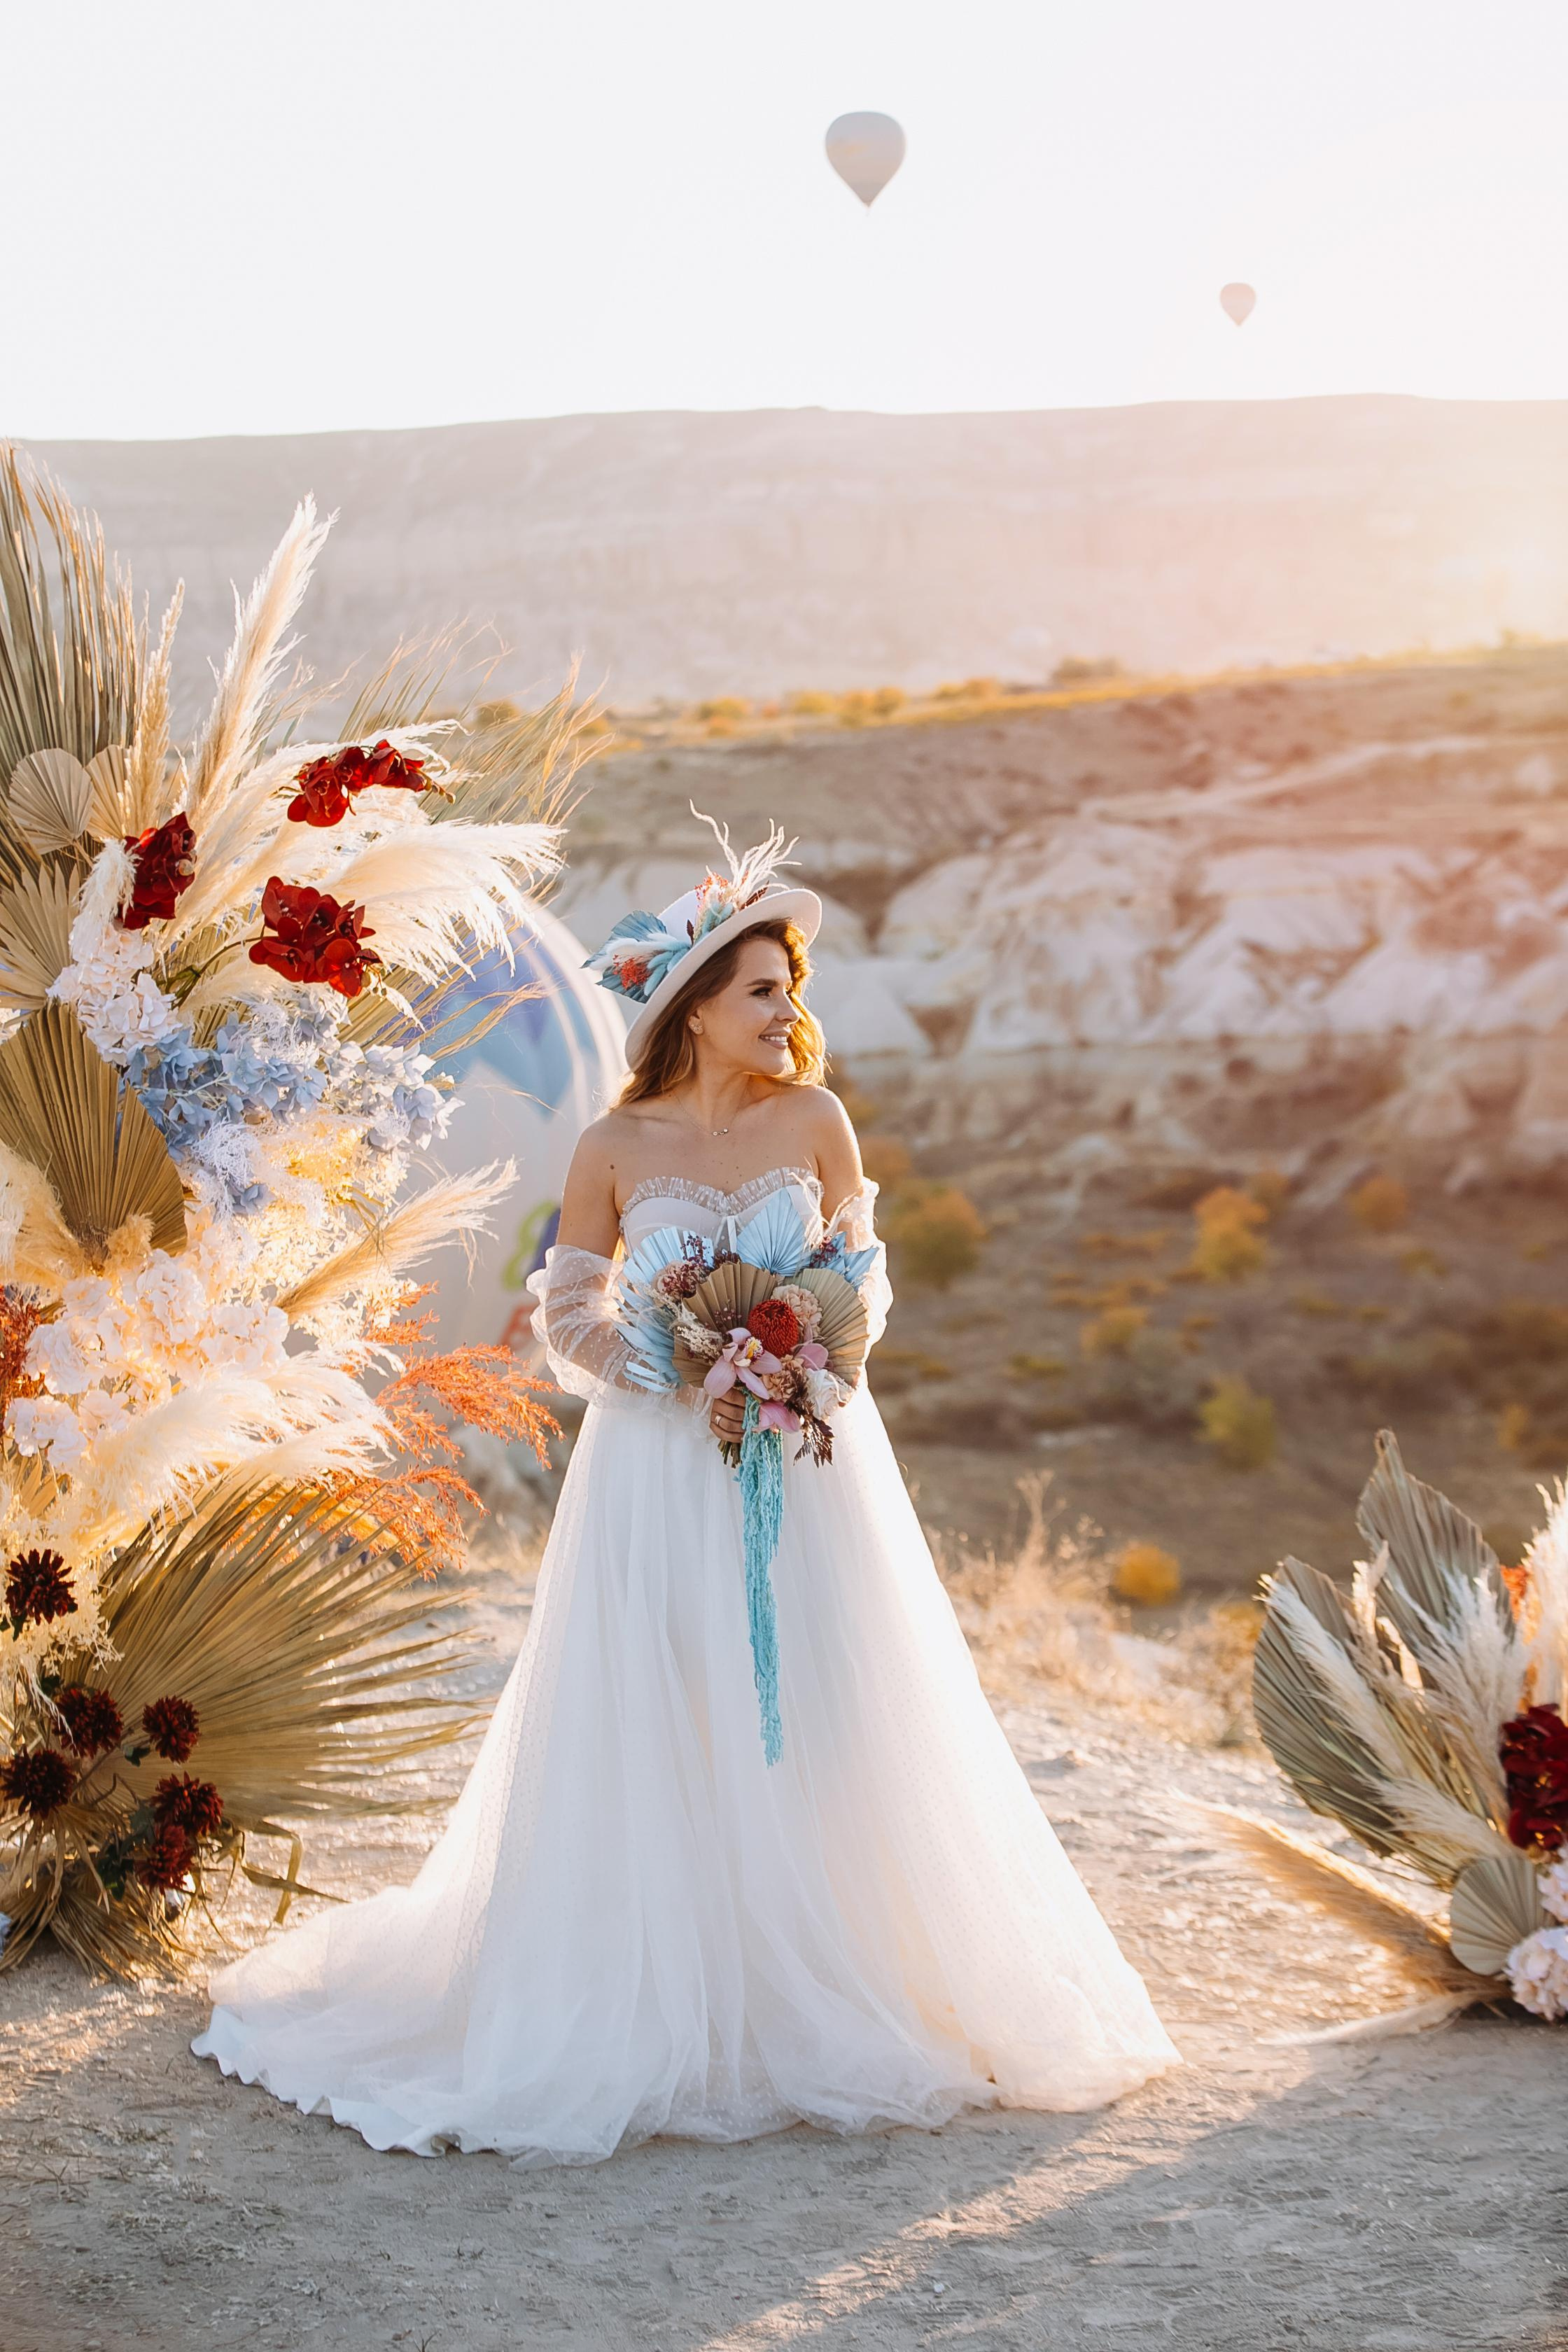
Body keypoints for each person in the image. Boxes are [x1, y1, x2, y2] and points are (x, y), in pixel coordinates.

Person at [193, 818, 1177, 2162]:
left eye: (791, 992)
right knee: (662, 1696)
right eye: (762, 990)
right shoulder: (613, 1146)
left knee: (822, 1691)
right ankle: (663, 1985)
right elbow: (566, 1317)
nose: (787, 1014)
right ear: (696, 1007)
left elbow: (866, 1279)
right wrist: (678, 1371)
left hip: (808, 1454)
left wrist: (797, 1359)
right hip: (657, 1465)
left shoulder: (817, 1120)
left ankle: (829, 1968)